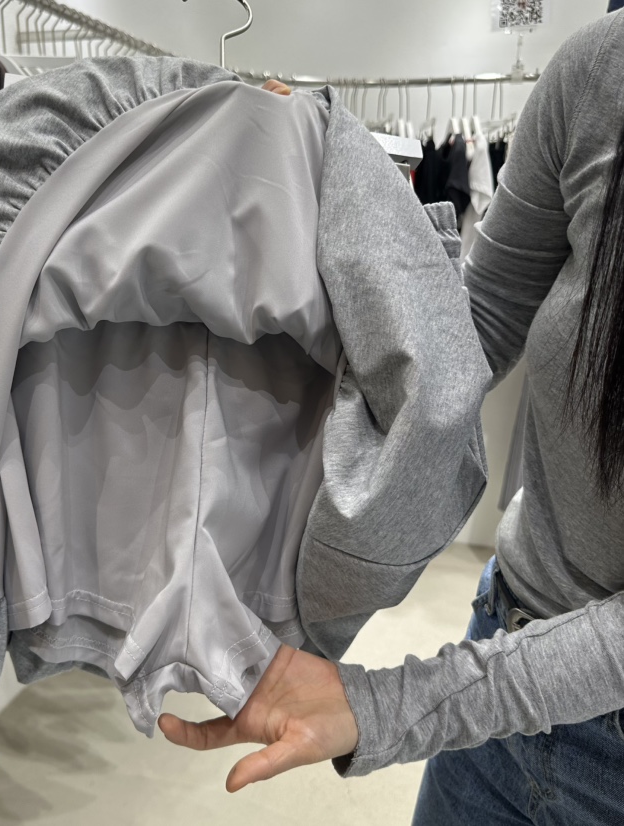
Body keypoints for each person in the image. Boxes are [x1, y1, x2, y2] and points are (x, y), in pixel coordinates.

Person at [160, 12, 624, 824]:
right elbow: (472, 328)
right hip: (505, 646)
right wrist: (333, 194)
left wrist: (387, 705)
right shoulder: (600, 74)